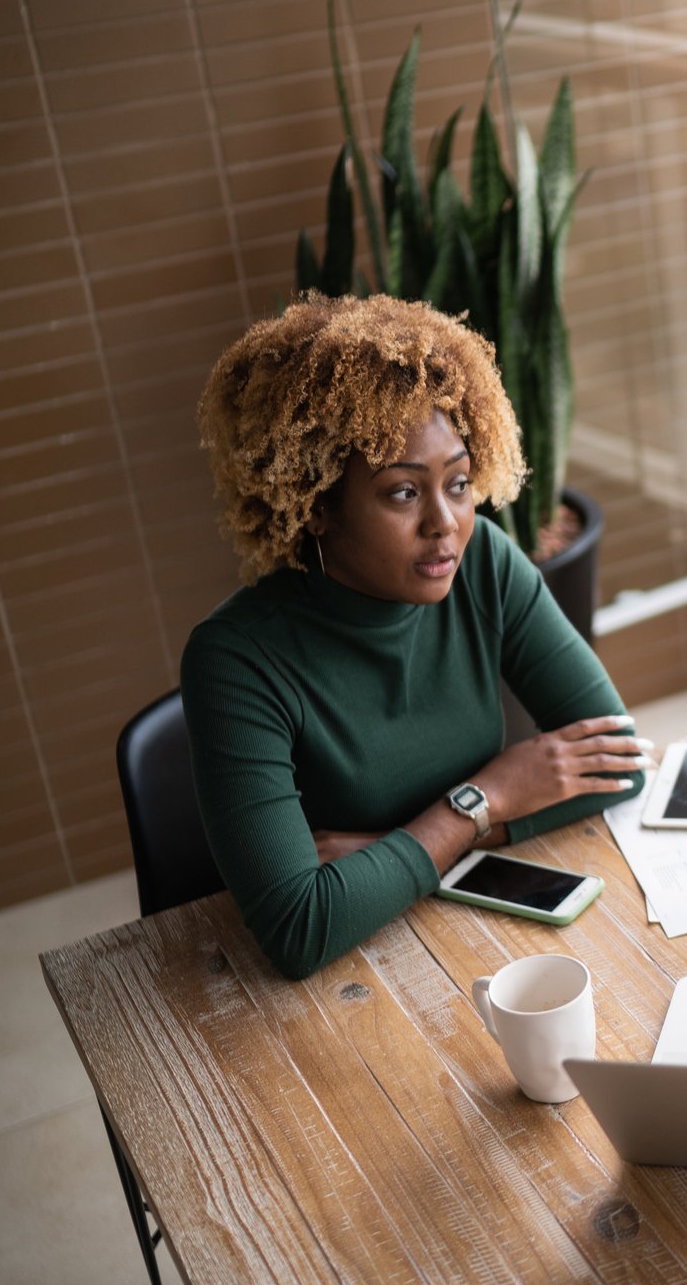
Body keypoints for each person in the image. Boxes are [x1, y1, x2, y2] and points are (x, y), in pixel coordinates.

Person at [182, 294, 649, 978]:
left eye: (459, 483)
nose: (446, 524)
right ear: (317, 506)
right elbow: (300, 927)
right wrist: (481, 802)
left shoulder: (482, 561)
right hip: (340, 986)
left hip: (458, 934)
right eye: (403, 492)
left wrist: (420, 839)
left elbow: (618, 764)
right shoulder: (236, 662)